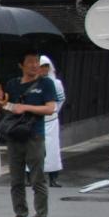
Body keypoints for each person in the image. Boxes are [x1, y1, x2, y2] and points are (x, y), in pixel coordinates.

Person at [0, 50, 58, 217]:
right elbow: (8, 108)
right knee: (16, 179)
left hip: (34, 135)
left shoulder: (45, 84)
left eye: (36, 61)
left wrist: (26, 107)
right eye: (30, 62)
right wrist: (0, 101)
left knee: (37, 178)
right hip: (14, 135)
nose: (34, 65)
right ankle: (19, 216)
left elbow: (50, 108)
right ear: (21, 65)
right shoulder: (12, 84)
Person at [40, 55, 66, 187]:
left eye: (46, 66)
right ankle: (29, 177)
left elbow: (60, 100)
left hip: (51, 121)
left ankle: (53, 178)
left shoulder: (56, 83)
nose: (43, 69)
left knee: (52, 150)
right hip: (35, 121)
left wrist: (53, 112)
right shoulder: (31, 82)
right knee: (33, 150)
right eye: (41, 67)